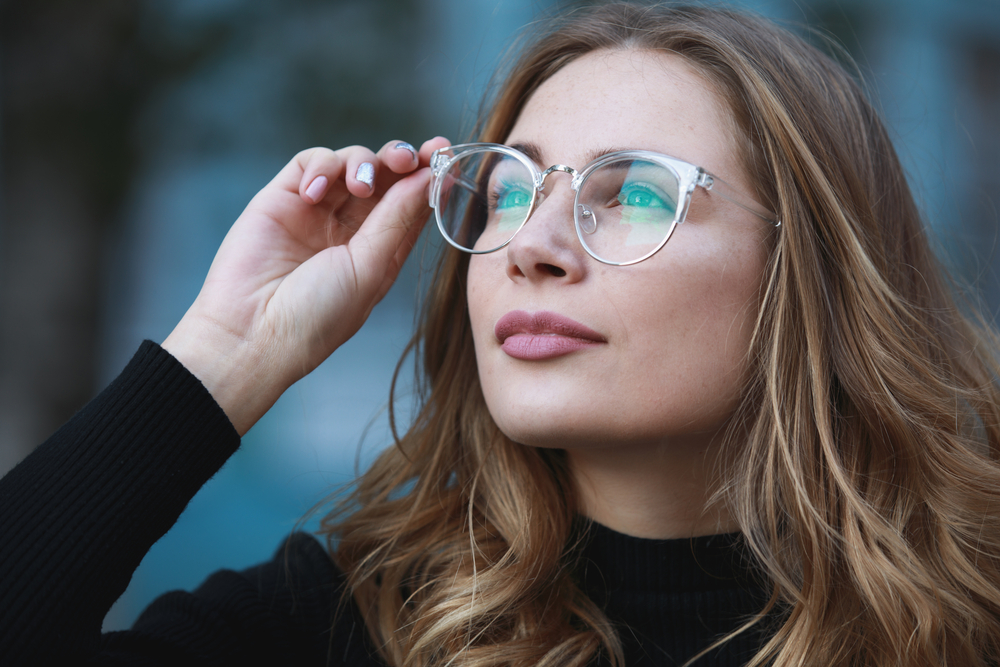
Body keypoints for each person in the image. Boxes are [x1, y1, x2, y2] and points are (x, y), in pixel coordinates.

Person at [2, 2, 1000, 666]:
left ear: (808, 268)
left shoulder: (967, 619)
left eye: (635, 193)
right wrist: (224, 351)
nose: (533, 245)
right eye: (511, 188)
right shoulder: (354, 628)